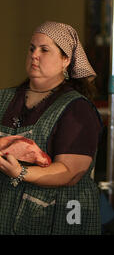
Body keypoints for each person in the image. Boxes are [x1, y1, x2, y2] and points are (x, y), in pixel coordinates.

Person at [0, 21, 103, 234]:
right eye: (31, 48)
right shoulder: (4, 98)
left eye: (44, 50)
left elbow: (70, 172)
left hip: (59, 218)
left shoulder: (77, 109)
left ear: (65, 60)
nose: (34, 55)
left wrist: (20, 172)